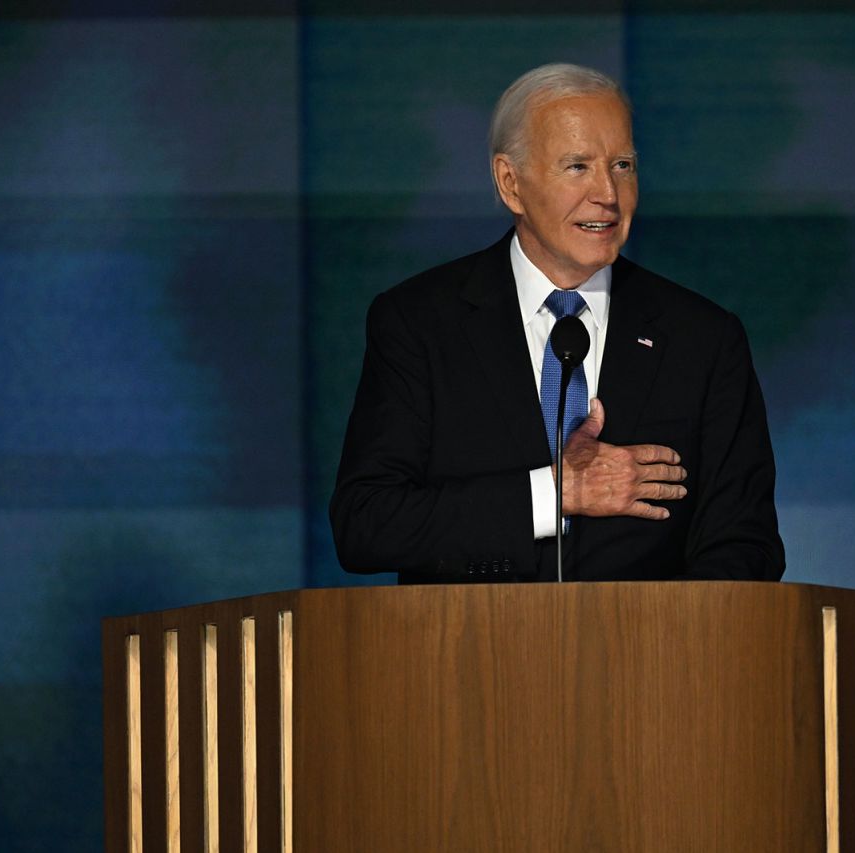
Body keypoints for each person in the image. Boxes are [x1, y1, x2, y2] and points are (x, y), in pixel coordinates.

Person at [330, 63, 783, 583]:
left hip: (651, 656)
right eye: (577, 167)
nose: (608, 194)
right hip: (466, 654)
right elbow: (366, 523)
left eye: (622, 165)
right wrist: (555, 493)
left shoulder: (703, 338)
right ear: (510, 184)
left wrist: (672, 648)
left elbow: (744, 544)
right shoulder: (418, 323)